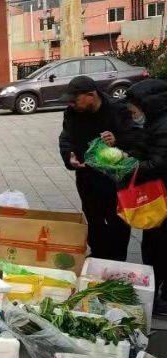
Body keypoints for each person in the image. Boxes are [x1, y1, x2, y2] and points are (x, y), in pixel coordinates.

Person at [58, 75, 134, 261]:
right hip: (87, 177)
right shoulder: (72, 112)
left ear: (91, 95)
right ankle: (99, 256)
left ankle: (117, 260)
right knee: (94, 220)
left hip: (114, 180)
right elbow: (65, 137)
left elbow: (137, 139)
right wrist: (69, 155)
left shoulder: (118, 110)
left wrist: (118, 140)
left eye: (75, 99)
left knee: (118, 222)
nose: (71, 104)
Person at [121, 79, 167, 315]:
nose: (132, 111)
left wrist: (130, 167)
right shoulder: (155, 123)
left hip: (162, 200)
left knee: (158, 248)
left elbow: (158, 163)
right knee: (153, 246)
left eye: (134, 106)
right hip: (160, 199)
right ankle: (156, 293)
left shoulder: (163, 126)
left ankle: (158, 299)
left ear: (149, 104)